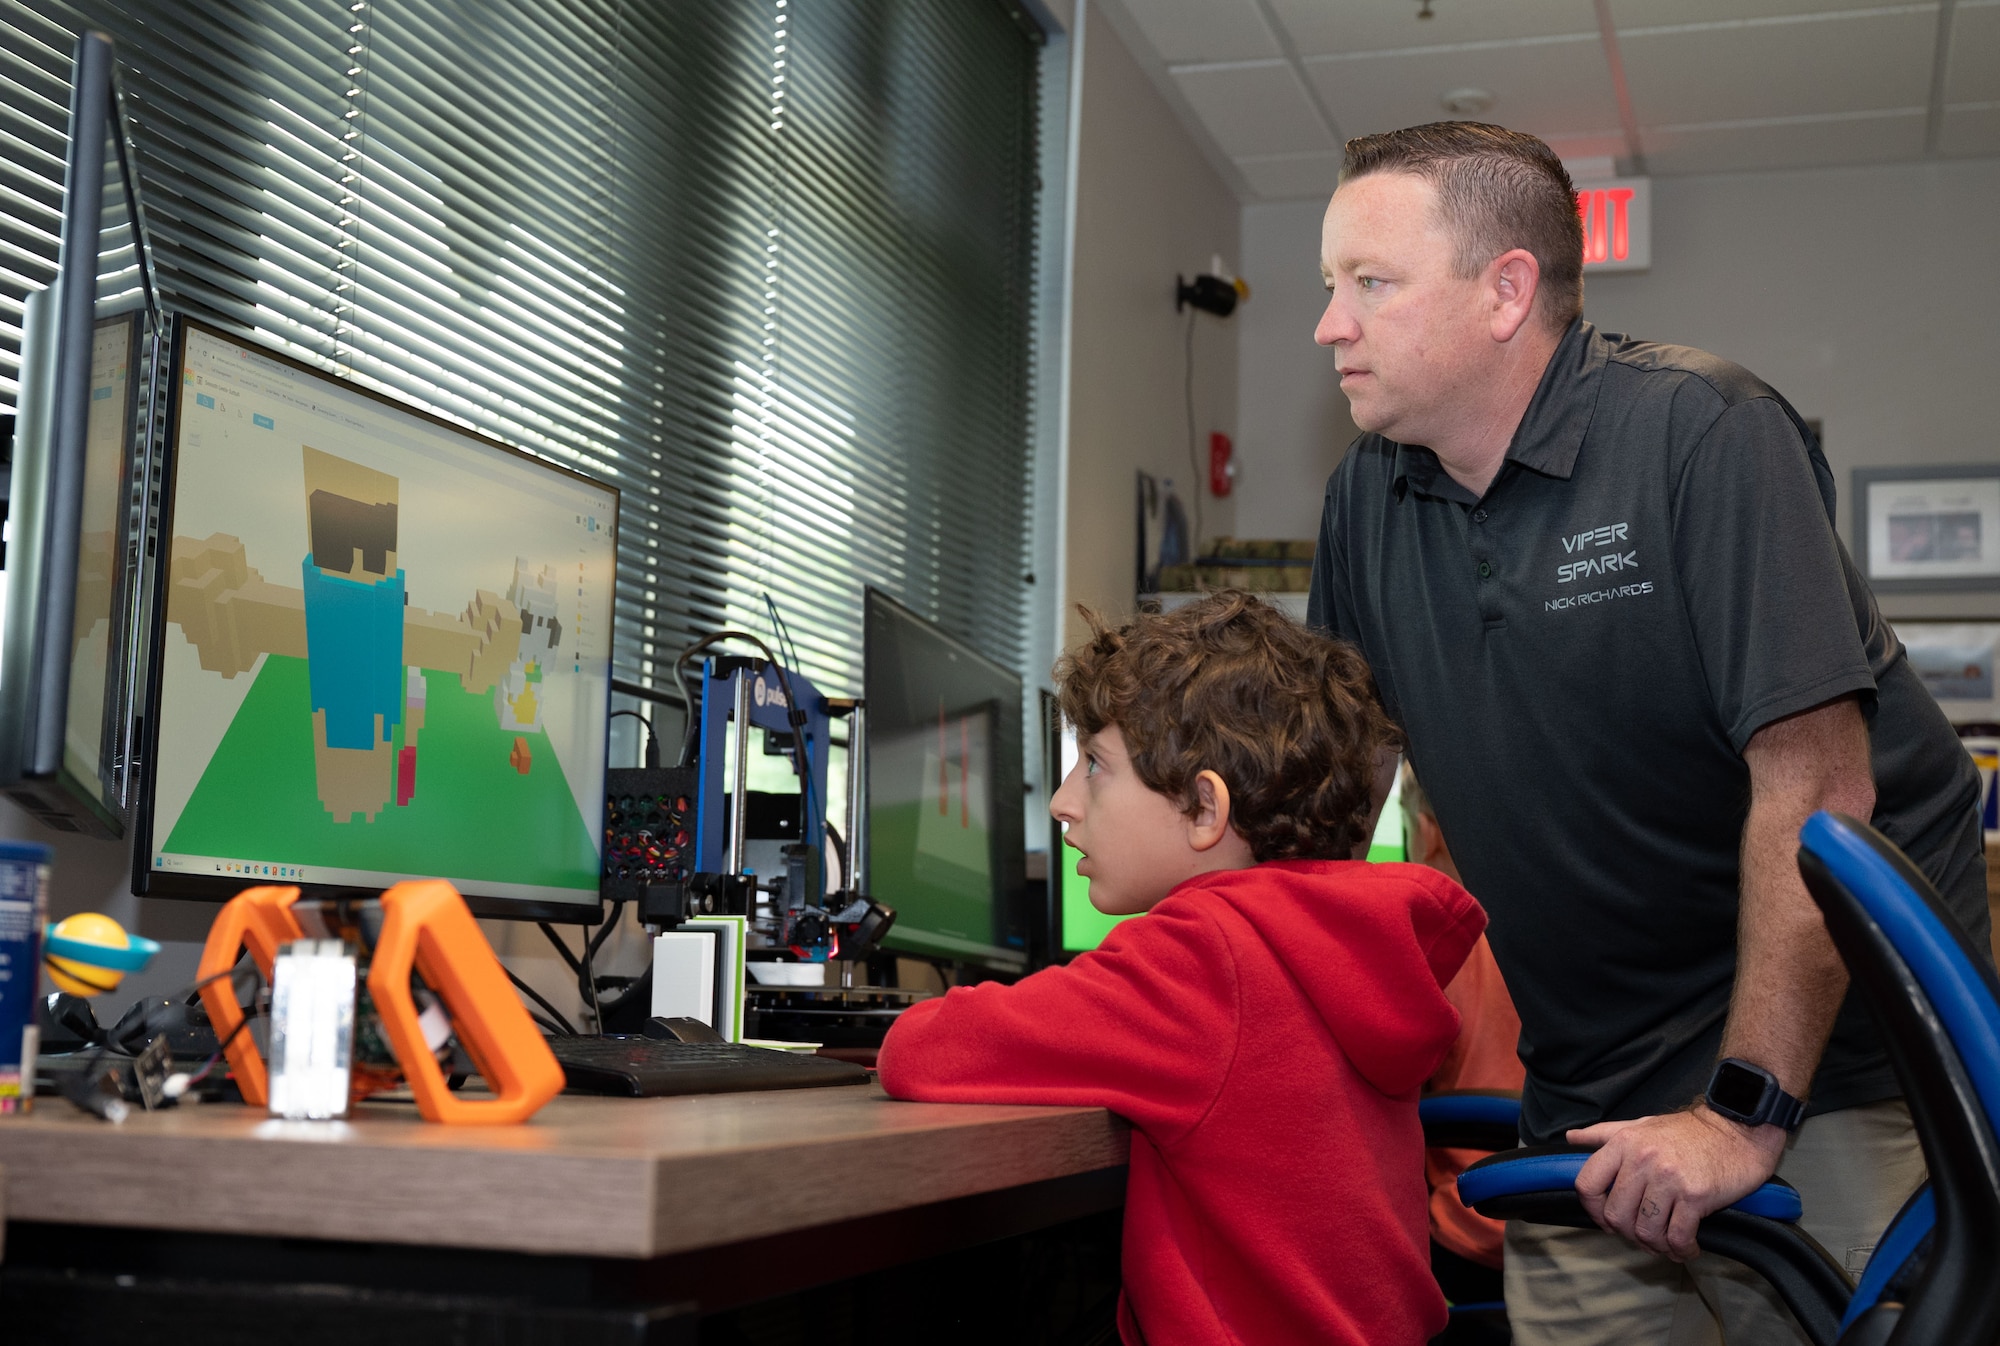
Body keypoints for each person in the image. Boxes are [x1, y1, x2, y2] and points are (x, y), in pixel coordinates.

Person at [1304, 121, 1987, 1346]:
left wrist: (1741, 1110)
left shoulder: (1699, 433)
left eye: (1369, 283)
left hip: (1818, 1073)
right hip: (1587, 1090)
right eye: (1326, 287)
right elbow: (1338, 804)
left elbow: (1819, 788)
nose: (1328, 325)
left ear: (1505, 290)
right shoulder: (1366, 498)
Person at [877, 590, 1487, 1346]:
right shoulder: (1344, 946)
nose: (1064, 802)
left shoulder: (1204, 958)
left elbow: (920, 1052)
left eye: (1094, 765)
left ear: (1206, 811)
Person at [1404, 762, 1526, 1305]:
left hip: (1474, 1237)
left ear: (1426, 836)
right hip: (1594, 1230)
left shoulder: (1433, 951)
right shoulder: (1562, 923)